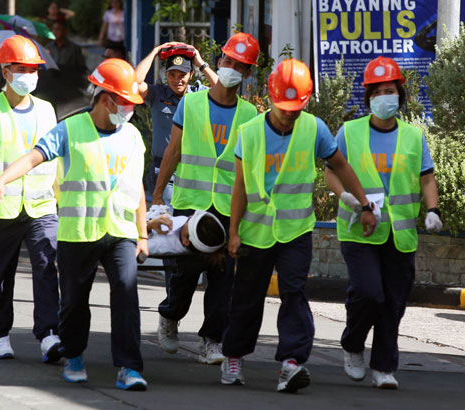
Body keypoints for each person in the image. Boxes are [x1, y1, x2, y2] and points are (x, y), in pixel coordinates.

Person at [0, 58, 149, 391]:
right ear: (106, 99)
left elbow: (137, 187)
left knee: (126, 295)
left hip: (120, 232)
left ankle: (129, 367)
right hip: (79, 234)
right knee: (74, 301)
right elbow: (34, 156)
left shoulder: (132, 136)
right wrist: (2, 179)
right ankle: (74, 355)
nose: (130, 110)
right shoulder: (70, 130)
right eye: (126, 103)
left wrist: (142, 233)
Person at [220, 58, 376, 393]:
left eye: (295, 107)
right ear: (271, 97)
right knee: (246, 298)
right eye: (283, 107)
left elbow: (342, 166)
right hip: (255, 232)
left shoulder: (314, 128)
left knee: (294, 293)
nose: (289, 113)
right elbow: (240, 187)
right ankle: (233, 356)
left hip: (296, 231)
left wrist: (363, 203)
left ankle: (292, 363)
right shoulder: (248, 134)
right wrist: (232, 232)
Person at [324, 56, 442, 390]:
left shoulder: (413, 137)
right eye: (378, 91)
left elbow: (427, 178)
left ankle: (384, 367)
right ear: (369, 97)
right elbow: (331, 172)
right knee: (368, 292)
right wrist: (345, 197)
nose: (385, 97)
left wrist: (433, 210)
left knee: (393, 301)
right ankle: (352, 343)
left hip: (400, 234)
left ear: (400, 96)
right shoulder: (350, 132)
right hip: (359, 231)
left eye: (390, 90)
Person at [152, 32, 259, 365]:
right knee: (184, 274)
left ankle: (212, 340)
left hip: (228, 207)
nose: (232, 69)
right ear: (219, 62)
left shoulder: (249, 114)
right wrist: (157, 195)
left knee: (223, 280)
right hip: (190, 202)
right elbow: (173, 150)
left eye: (240, 66)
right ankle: (170, 315)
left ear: (248, 73)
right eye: (228, 61)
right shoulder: (192, 103)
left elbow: (251, 169)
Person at [0, 35, 61, 363]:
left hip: (42, 205)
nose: (28, 75)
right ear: (5, 72)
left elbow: (57, 158)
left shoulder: (47, 110)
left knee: (47, 266)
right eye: (21, 68)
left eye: (33, 69)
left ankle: (48, 334)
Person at [136, 41, 218, 206]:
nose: (177, 80)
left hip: (193, 169)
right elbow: (135, 83)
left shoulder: (199, 95)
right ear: (166, 75)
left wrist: (200, 63)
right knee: (168, 220)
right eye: (172, 75)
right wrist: (155, 51)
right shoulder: (158, 94)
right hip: (163, 170)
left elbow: (223, 90)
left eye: (182, 75)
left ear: (191, 75)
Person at [147, 209, 226, 257]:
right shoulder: (182, 231)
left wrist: (148, 226)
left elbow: (137, 245)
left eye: (189, 221)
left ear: (186, 241)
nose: (187, 219)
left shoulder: (161, 244)